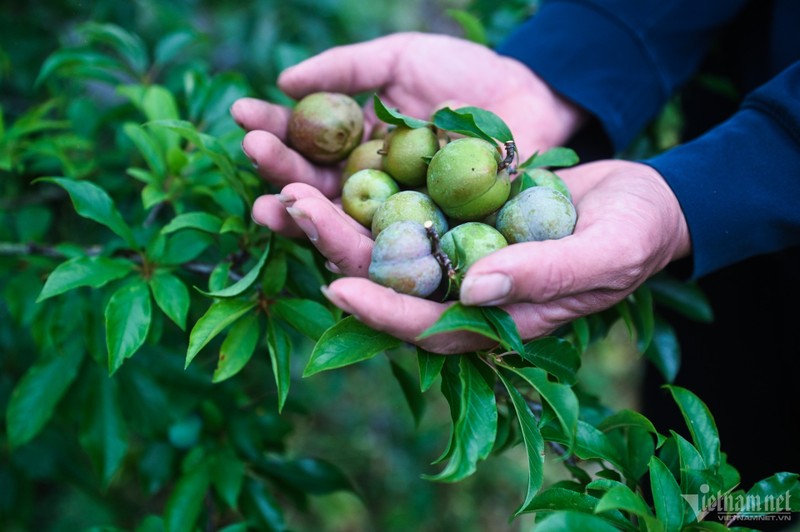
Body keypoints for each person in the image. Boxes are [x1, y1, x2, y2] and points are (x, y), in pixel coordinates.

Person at [231, 1, 800, 487]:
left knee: (766, 494)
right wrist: (566, 63)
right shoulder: (448, 184)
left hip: (744, 181)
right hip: (735, 233)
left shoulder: (464, 188)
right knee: (719, 486)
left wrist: (717, 183)